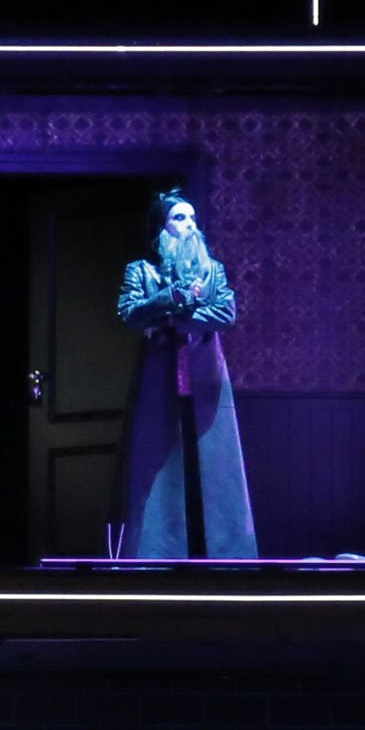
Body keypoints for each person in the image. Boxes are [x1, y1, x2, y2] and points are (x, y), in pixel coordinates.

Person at [114, 187, 259, 558]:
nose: (190, 224)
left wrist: (171, 320)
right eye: (180, 217)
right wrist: (172, 298)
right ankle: (158, 558)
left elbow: (225, 313)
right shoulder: (141, 271)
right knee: (158, 474)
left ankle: (224, 559)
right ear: (161, 228)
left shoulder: (213, 270)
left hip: (205, 381)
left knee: (214, 474)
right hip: (159, 382)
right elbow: (130, 313)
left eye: (193, 217)